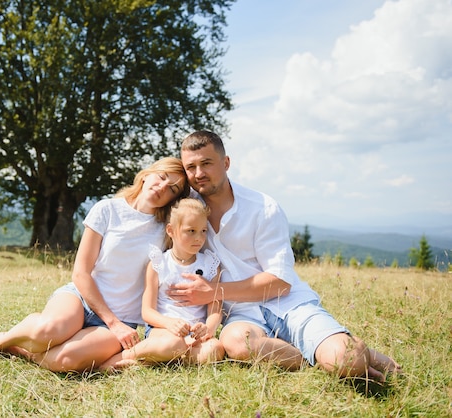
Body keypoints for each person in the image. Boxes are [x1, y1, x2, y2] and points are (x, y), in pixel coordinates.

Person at [167, 130, 402, 382]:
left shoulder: (262, 207)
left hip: (288, 304)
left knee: (347, 362)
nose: (199, 173)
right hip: (241, 314)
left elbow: (280, 282)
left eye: (206, 163)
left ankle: (343, 350)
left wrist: (215, 292)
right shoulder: (187, 211)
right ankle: (316, 354)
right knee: (237, 344)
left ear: (226, 163)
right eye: (191, 167)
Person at [0, 157, 189, 372]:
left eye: (173, 188)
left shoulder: (167, 230)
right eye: (161, 177)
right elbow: (81, 272)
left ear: (174, 198)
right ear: (146, 174)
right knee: (47, 331)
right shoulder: (107, 209)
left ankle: (22, 350)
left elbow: (197, 214)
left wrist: (117, 324)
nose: (162, 187)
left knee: (66, 361)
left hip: (123, 319)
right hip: (81, 299)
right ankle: (0, 340)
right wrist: (111, 321)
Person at [101, 198, 225, 370]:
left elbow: (215, 309)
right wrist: (169, 323)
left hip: (194, 337)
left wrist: (208, 328)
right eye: (191, 231)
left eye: (203, 231)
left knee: (215, 349)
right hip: (162, 331)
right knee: (172, 344)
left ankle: (151, 362)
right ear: (171, 230)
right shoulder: (159, 264)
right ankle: (118, 359)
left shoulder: (210, 265)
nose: (199, 238)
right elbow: (147, 311)